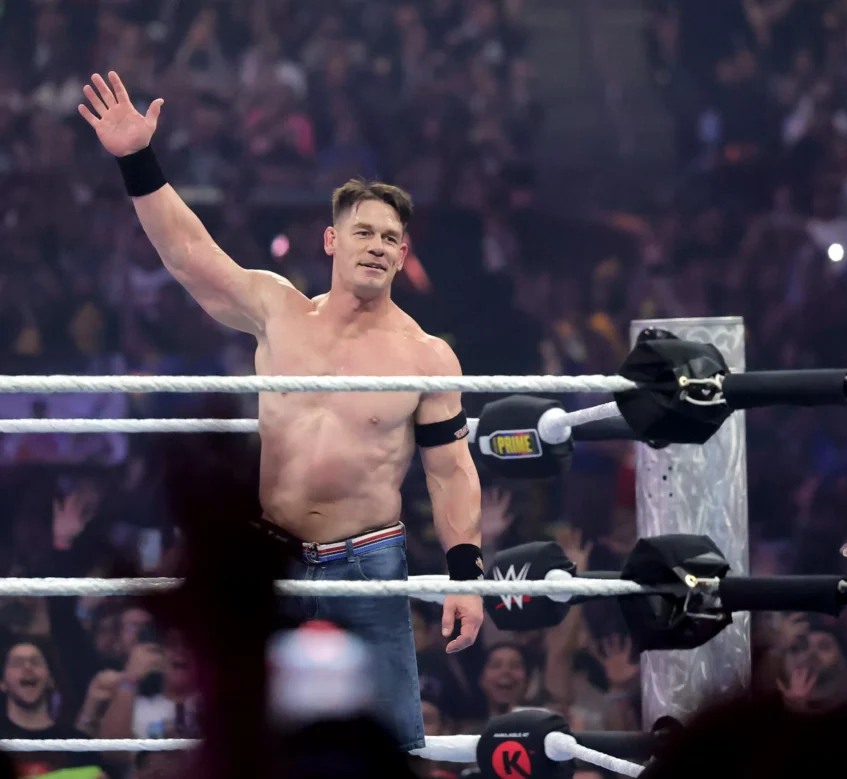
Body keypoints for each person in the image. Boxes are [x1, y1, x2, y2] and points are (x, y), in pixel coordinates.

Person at [78, 71, 484, 751]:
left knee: (386, 749)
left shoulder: (428, 356)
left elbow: (451, 472)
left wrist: (466, 577)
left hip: (369, 564)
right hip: (274, 560)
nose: (377, 246)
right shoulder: (278, 310)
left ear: (403, 254)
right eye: (363, 232)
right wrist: (137, 159)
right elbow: (190, 255)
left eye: (390, 238)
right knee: (253, 744)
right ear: (331, 241)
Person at [0, 639, 104, 776]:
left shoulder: (79, 745)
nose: (28, 668)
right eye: (17, 663)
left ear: (50, 679)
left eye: (36, 662)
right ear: (2, 683)